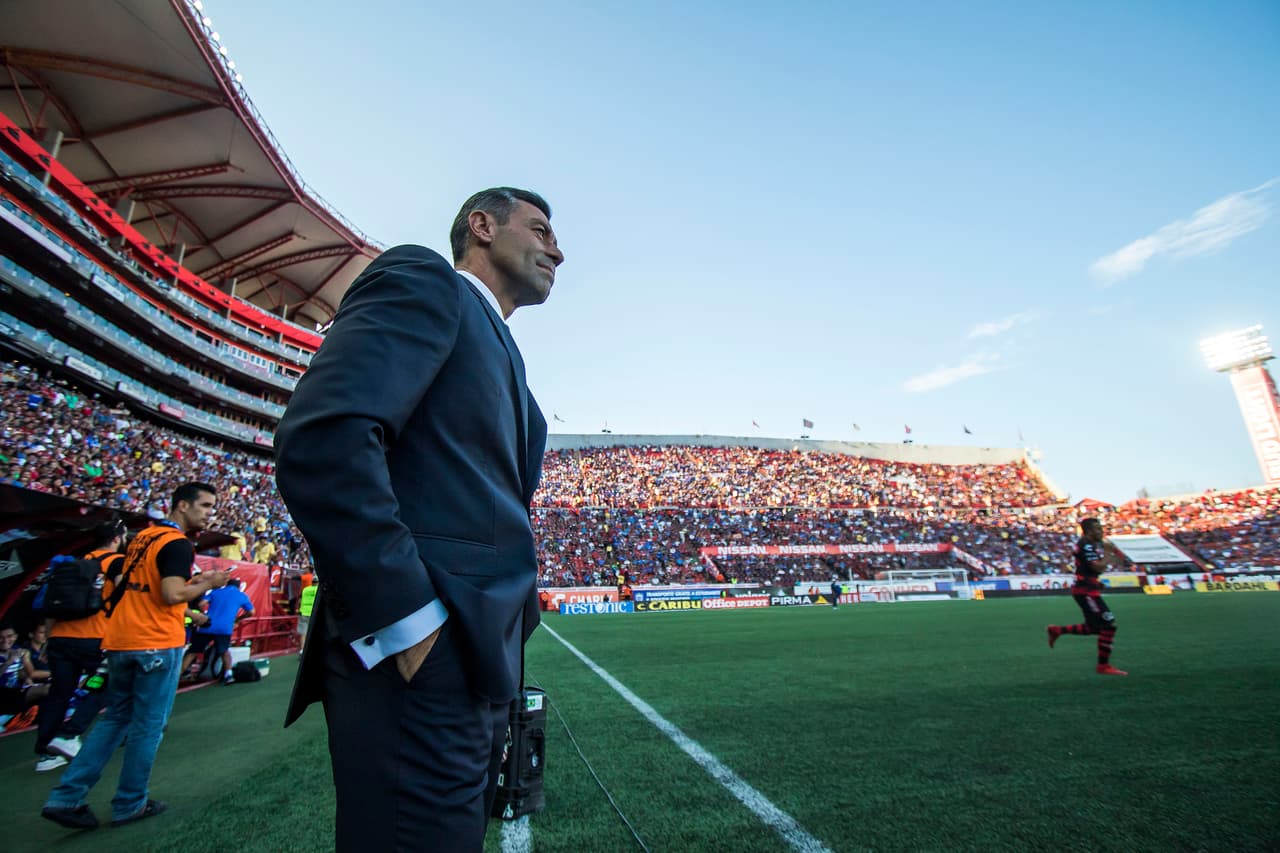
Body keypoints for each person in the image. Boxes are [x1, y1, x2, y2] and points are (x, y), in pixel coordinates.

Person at [275, 187, 561, 851]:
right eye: (541, 229)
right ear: (482, 226)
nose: (558, 248)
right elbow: (325, 438)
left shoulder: (508, 357)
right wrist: (412, 625)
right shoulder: (427, 280)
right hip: (420, 659)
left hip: (477, 670)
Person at [41, 482, 231, 831]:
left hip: (123, 638)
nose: (208, 513)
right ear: (182, 506)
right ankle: (130, 802)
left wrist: (196, 581)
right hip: (156, 641)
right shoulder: (177, 543)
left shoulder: (143, 537)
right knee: (147, 727)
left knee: (114, 719)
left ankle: (66, 797)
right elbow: (172, 593)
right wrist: (211, 582)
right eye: (204, 505)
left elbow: (146, 586)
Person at [33, 519, 127, 774]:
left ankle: (46, 752)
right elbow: (126, 599)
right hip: (93, 637)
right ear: (117, 539)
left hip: (60, 639)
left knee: (58, 694)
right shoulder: (115, 562)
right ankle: (69, 733)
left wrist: (49, 638)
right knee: (110, 682)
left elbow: (51, 605)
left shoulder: (72, 562)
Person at [1047, 518, 1127, 675]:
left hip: (1088, 589)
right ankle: (1103, 666)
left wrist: (1094, 580)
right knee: (1109, 626)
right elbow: (1097, 566)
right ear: (1089, 531)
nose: (1101, 531)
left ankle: (1057, 630)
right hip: (1086, 592)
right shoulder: (1086, 545)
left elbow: (1093, 570)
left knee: (1095, 627)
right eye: (1098, 529)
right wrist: (1109, 553)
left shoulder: (1089, 544)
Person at [181, 577, 254, 684]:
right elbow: (251, 612)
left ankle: (177, 675)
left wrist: (203, 615)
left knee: (193, 651)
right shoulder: (241, 595)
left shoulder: (216, 592)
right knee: (224, 651)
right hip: (225, 627)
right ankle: (228, 675)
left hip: (207, 625)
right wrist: (238, 619)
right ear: (238, 587)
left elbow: (201, 604)